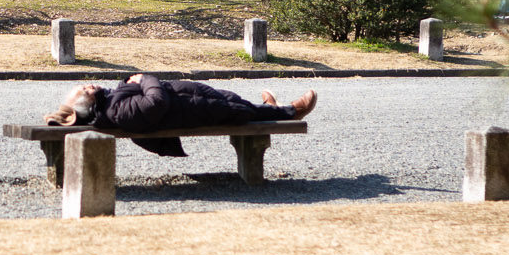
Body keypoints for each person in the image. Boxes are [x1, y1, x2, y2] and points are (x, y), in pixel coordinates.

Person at [48, 71, 316, 157]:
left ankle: (271, 109)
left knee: (235, 101)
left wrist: (131, 82)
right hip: (195, 109)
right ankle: (291, 111)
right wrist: (145, 78)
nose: (89, 85)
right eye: (85, 89)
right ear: (88, 103)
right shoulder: (115, 110)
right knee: (238, 110)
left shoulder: (110, 101)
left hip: (194, 100)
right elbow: (155, 104)